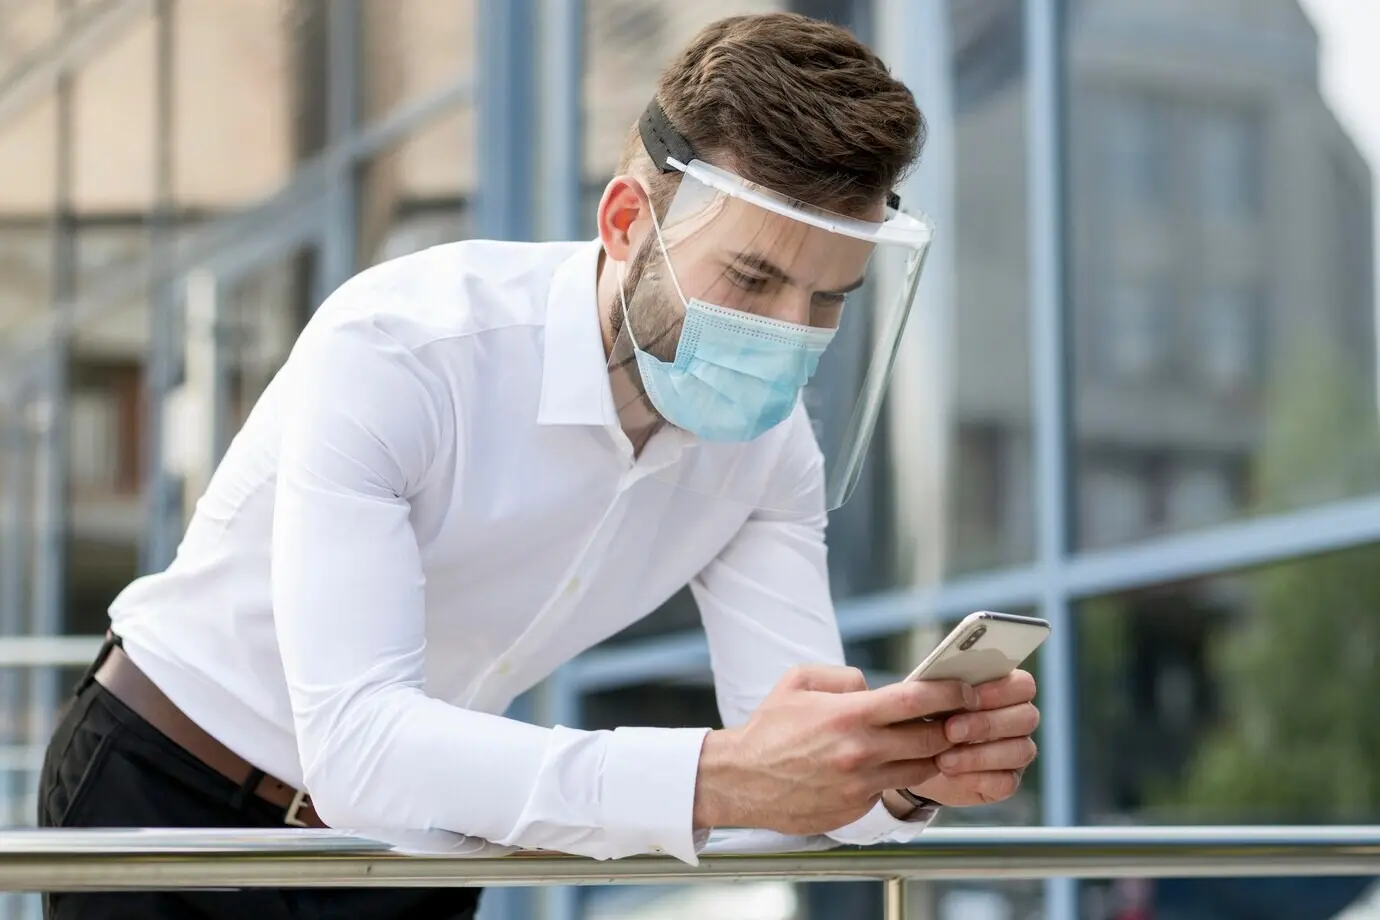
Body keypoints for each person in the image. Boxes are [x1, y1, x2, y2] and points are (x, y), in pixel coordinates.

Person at [38, 12, 1040, 920]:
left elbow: (792, 774)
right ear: (624, 223)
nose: (787, 333)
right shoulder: (401, 347)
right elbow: (359, 744)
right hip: (166, 793)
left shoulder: (770, 451)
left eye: (829, 301)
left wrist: (907, 769)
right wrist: (721, 776)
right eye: (751, 276)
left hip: (417, 842)